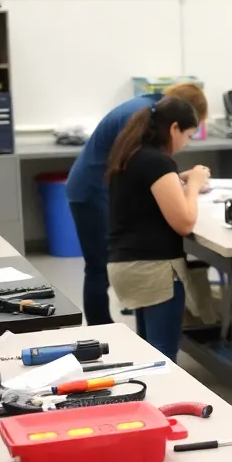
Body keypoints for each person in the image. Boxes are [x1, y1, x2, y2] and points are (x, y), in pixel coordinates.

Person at [67, 83, 208, 325]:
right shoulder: (143, 114)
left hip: (98, 185)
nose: (187, 141)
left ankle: (127, 315)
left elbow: (141, 170)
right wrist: (184, 184)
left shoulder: (150, 107)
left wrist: (172, 180)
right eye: (189, 133)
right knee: (98, 266)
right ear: (178, 122)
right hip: (93, 189)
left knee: (101, 264)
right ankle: (101, 329)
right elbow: (142, 167)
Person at [105, 96, 209, 361]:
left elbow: (147, 193)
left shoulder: (132, 154)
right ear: (174, 128)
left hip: (127, 265)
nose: (186, 143)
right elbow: (185, 223)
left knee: (148, 350)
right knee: (163, 355)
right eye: (188, 135)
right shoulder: (158, 162)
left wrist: (178, 180)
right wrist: (194, 184)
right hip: (154, 269)